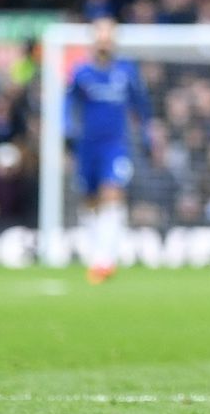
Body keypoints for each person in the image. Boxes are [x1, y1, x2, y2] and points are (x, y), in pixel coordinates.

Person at [65, 16, 156, 284]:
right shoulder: (81, 73)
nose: (104, 41)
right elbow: (68, 104)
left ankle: (106, 260)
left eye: (109, 35)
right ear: (94, 40)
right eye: (100, 35)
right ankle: (97, 255)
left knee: (112, 193)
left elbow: (142, 107)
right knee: (90, 201)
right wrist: (67, 130)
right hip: (87, 146)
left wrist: (148, 135)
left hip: (115, 145)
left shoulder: (127, 71)